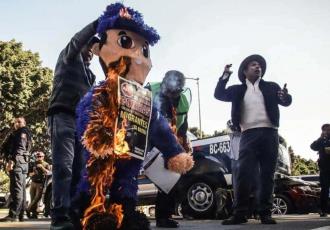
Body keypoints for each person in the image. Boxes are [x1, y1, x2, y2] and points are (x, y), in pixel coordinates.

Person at [214, 54, 292, 225]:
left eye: (260, 66)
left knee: (267, 175)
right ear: (244, 71)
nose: (258, 67)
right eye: (254, 65)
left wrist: (285, 96)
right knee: (243, 174)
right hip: (248, 135)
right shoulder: (237, 90)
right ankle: (240, 213)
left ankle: (265, 213)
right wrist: (225, 75)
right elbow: (218, 94)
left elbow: (285, 101)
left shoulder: (271, 87)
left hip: (270, 133)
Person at [47, 18, 99, 229]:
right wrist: (99, 24)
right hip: (62, 115)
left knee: (79, 170)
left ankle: (74, 215)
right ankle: (59, 217)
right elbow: (78, 39)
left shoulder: (91, 75)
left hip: (81, 124)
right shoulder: (68, 56)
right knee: (63, 167)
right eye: (89, 46)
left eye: (93, 50)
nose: (90, 52)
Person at [147, 70, 192, 228]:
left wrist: (183, 144)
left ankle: (164, 217)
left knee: (171, 178)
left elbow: (183, 124)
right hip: (147, 139)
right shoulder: (150, 91)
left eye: (176, 91)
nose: (172, 94)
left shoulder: (183, 100)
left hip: (169, 140)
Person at [0, 117, 32, 222]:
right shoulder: (26, 133)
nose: (17, 124)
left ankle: (13, 215)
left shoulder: (21, 133)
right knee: (21, 189)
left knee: (16, 189)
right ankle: (21, 215)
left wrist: (11, 161)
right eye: (15, 122)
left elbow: (19, 148)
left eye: (19, 122)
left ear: (24, 123)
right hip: (23, 163)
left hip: (17, 163)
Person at [310, 123, 330, 217]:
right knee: (325, 189)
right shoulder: (322, 141)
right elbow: (313, 147)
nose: (326, 131)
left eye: (328, 129)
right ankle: (323, 210)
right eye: (324, 130)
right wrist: (320, 138)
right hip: (324, 169)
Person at [26, 151, 51, 219]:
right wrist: (33, 173)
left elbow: (48, 173)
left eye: (40, 156)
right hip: (33, 183)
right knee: (32, 199)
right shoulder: (33, 163)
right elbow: (29, 174)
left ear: (43, 157)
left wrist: (42, 167)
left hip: (40, 183)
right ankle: (34, 214)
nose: (39, 158)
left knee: (37, 198)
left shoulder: (46, 164)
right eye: (37, 156)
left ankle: (27, 209)